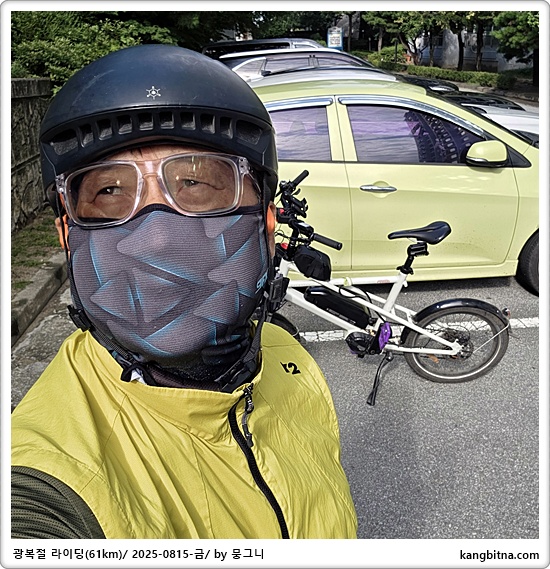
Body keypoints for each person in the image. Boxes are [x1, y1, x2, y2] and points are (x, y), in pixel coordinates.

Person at [11, 44, 357, 539]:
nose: (155, 238)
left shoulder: (288, 356)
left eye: (194, 183)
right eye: (109, 191)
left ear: (266, 222)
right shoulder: (45, 480)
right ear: (68, 235)